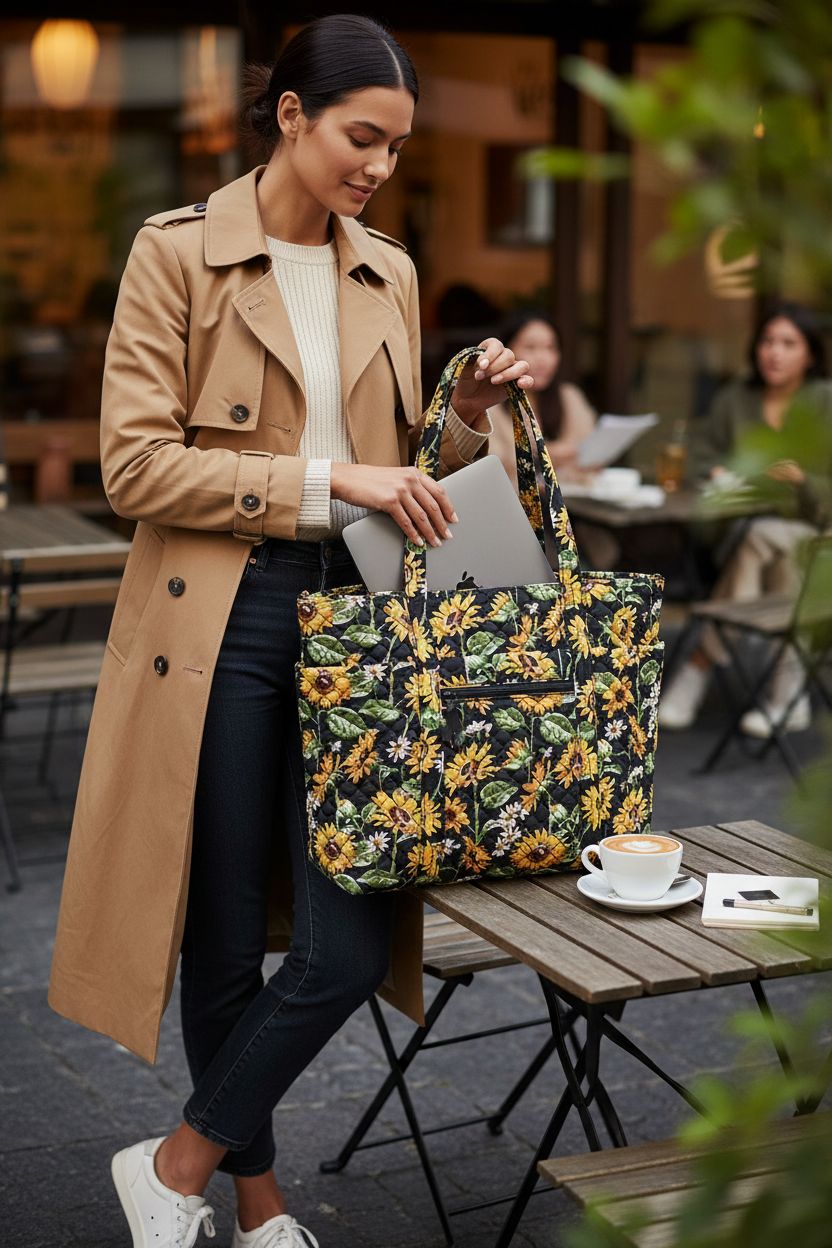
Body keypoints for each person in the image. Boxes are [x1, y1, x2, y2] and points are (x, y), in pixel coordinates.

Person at [46, 16, 532, 1248]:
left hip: (353, 625)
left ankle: (171, 1164)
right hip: (218, 618)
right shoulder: (177, 256)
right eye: (360, 136)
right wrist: (330, 484)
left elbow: (408, 471)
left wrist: (463, 420)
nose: (378, 163)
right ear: (290, 116)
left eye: (396, 146)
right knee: (218, 939)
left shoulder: (391, 270)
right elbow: (135, 465)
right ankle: (258, 1209)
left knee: (341, 944)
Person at [659, 302, 832, 736]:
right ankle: (787, 691)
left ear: (810, 354)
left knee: (766, 541)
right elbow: (699, 454)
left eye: (788, 343)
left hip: (814, 531)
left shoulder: (824, 402)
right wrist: (717, 472)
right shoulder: (736, 397)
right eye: (767, 341)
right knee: (765, 543)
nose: (773, 352)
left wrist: (801, 480)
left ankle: (698, 667)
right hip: (737, 530)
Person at [486, 308, 596, 489]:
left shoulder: (569, 397)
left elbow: (591, 455)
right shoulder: (490, 404)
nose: (543, 358)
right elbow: (492, 468)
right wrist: (546, 455)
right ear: (506, 351)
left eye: (550, 348)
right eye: (531, 347)